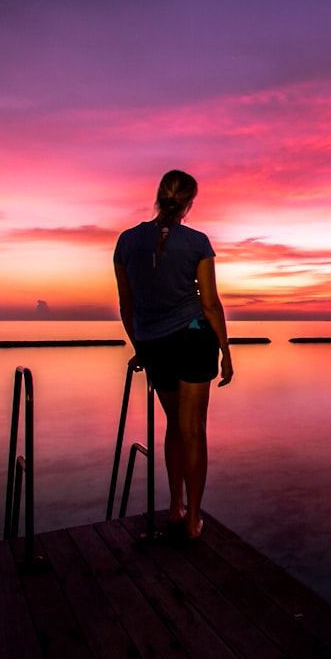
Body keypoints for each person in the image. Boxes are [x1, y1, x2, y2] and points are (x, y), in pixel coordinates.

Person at [113, 170, 233, 541]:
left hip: (155, 345)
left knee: (174, 426)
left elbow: (126, 305)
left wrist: (140, 347)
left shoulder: (127, 242)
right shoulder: (197, 242)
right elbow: (210, 303)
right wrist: (226, 352)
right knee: (193, 429)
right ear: (189, 202)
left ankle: (175, 508)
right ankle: (194, 519)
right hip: (194, 339)